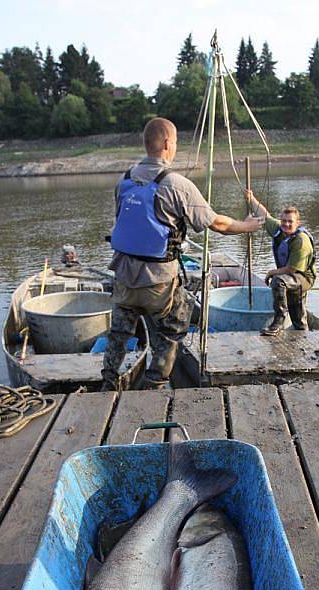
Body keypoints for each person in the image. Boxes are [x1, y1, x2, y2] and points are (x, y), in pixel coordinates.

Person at [101, 117, 263, 391]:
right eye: (175, 142)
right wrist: (247, 225)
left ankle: (107, 383)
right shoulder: (176, 184)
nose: (175, 147)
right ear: (167, 144)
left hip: (123, 278)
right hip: (158, 282)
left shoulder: (124, 180)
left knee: (118, 333)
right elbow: (218, 224)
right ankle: (154, 385)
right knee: (172, 329)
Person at [245, 192, 316, 334]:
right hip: (289, 276)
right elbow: (265, 216)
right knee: (298, 316)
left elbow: (292, 269)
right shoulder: (279, 229)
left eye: (290, 221)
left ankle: (278, 322)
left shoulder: (301, 241)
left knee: (278, 281)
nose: (286, 224)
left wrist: (271, 273)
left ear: (298, 223)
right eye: (284, 221)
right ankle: (302, 333)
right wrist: (251, 198)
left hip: (303, 277)